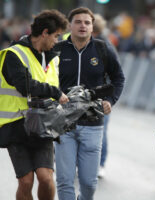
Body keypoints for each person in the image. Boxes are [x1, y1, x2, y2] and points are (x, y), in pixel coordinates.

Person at [0, 9, 68, 200]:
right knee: (26, 181)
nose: (57, 40)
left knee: (45, 178)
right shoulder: (14, 54)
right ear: (44, 33)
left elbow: (60, 83)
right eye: (56, 35)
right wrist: (55, 92)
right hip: (14, 124)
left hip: (43, 124)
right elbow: (24, 85)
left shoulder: (53, 57)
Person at [53, 7, 125, 200]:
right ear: (70, 25)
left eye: (87, 22)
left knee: (89, 183)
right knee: (64, 180)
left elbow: (118, 78)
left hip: (93, 124)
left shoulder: (102, 48)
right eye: (78, 22)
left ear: (93, 26)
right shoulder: (57, 50)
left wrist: (110, 100)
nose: (82, 26)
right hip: (64, 124)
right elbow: (46, 80)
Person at [92, 13, 117, 178]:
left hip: (101, 96)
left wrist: (109, 98)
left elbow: (116, 74)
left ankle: (100, 163)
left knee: (101, 129)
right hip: (85, 95)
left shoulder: (105, 46)